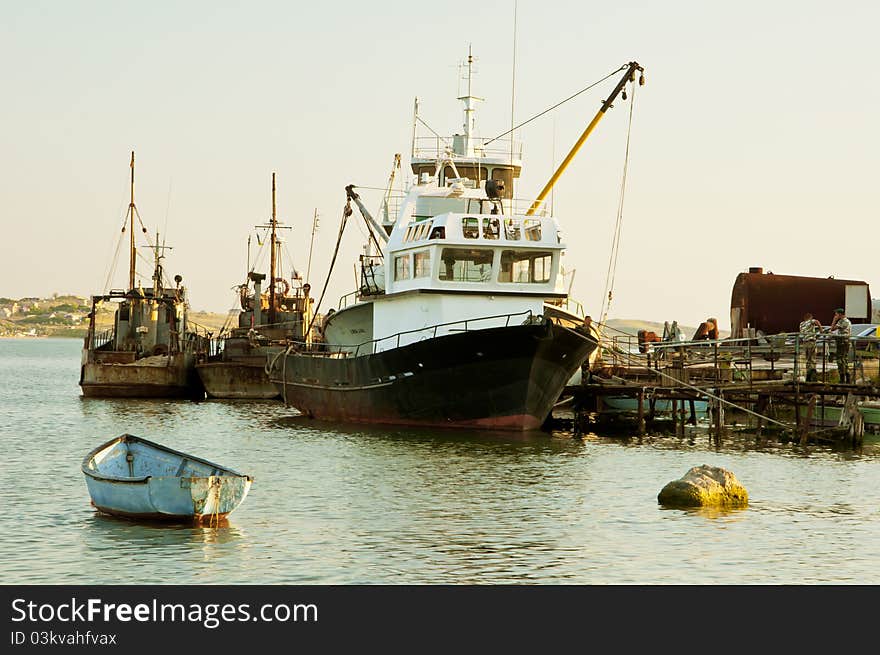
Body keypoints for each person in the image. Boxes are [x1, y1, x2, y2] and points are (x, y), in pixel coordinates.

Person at [829, 307, 852, 383]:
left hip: (842, 342)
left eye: (836, 314)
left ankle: (843, 378)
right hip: (845, 342)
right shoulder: (846, 321)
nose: (835, 315)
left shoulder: (843, 321)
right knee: (844, 359)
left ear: (839, 314)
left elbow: (832, 328)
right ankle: (847, 378)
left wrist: (834, 320)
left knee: (840, 359)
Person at [798, 312, 822, 381]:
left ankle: (808, 377)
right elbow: (817, 322)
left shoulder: (801, 324)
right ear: (810, 317)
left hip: (805, 342)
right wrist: (821, 330)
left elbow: (801, 333)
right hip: (811, 341)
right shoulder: (811, 321)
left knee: (807, 359)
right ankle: (813, 377)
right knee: (813, 359)